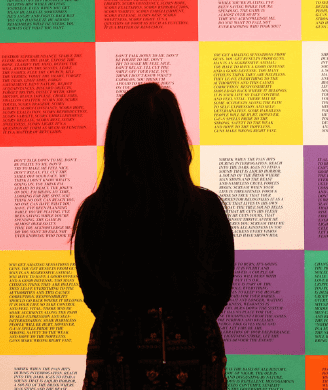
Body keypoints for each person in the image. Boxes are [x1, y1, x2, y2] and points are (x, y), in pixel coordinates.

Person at [70, 83, 235, 389]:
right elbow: (219, 292)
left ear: (118, 142)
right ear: (176, 141)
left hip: (117, 359)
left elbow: (94, 296)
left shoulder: (95, 213)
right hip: (196, 358)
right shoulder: (207, 210)